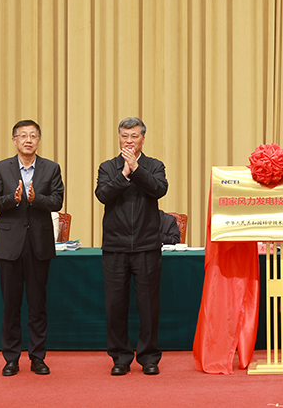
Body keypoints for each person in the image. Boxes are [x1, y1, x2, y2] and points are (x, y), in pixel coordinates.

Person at [0, 120, 64, 376]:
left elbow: (57, 201)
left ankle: (37, 357)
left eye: (33, 135)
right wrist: (13, 198)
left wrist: (35, 199)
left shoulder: (51, 168)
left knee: (37, 305)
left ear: (38, 140)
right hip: (9, 246)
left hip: (39, 245)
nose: (28, 140)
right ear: (14, 140)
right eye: (23, 135)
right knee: (11, 306)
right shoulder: (1, 168)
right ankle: (11, 358)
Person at [96, 117, 168, 376]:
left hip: (147, 247)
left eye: (134, 136)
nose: (129, 141)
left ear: (143, 139)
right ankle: (120, 357)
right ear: (119, 138)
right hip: (115, 247)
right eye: (125, 136)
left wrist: (136, 169)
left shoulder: (154, 166)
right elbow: (103, 194)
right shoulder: (108, 167)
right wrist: (124, 173)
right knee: (115, 306)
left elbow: (159, 190)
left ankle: (149, 357)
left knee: (148, 306)